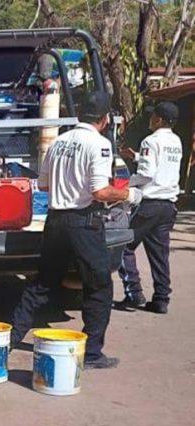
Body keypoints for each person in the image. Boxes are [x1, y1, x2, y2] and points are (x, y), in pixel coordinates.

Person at [10, 91, 140, 369]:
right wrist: (129, 195)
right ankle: (91, 353)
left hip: (55, 222)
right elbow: (100, 192)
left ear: (80, 114)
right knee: (99, 286)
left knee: (42, 284)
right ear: (105, 119)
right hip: (84, 223)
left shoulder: (58, 142)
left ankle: (8, 339)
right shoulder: (100, 144)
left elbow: (43, 185)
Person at [116, 102, 182, 314]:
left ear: (159, 119)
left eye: (152, 116)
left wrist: (124, 183)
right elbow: (162, 164)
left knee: (122, 246)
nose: (150, 119)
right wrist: (137, 156)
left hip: (149, 204)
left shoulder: (150, 141)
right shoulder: (176, 141)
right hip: (168, 205)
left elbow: (147, 174)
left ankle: (133, 292)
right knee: (159, 254)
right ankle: (161, 298)